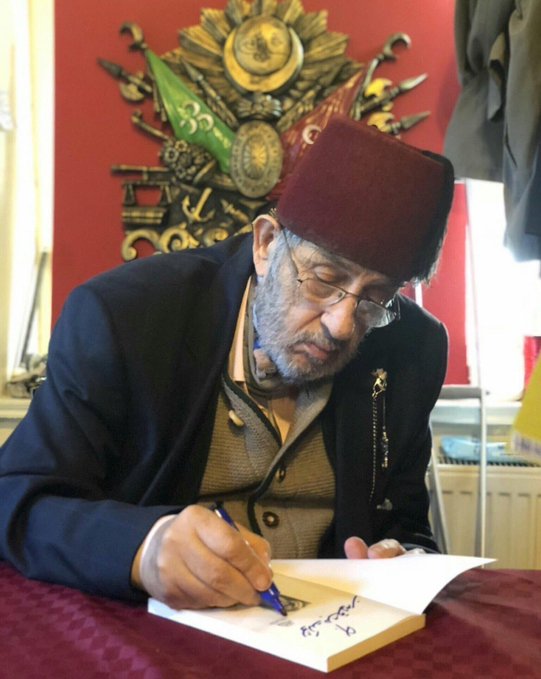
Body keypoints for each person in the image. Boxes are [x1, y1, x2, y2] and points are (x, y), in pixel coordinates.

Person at [0, 115, 454, 611]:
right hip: (159, 630)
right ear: (266, 244)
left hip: (333, 631)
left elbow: (406, 526)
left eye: (376, 298)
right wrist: (143, 547)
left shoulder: (413, 349)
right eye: (324, 279)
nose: (343, 325)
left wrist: (403, 556)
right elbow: (19, 500)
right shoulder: (125, 317)